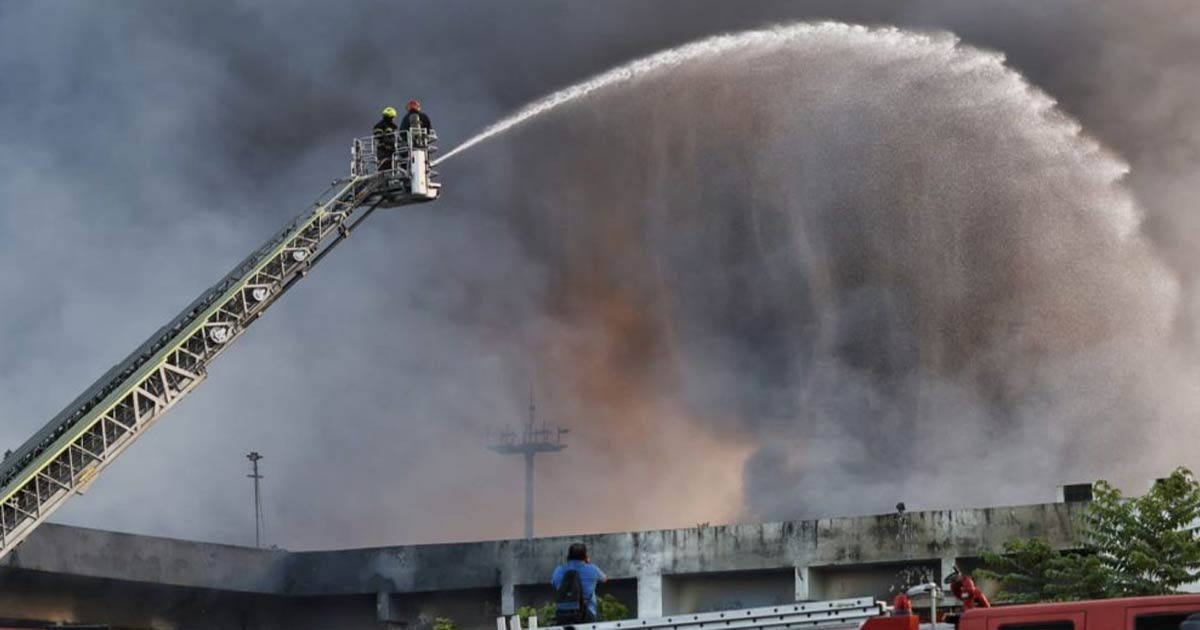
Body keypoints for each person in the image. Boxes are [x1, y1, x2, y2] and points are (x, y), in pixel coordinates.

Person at [551, 542, 607, 623]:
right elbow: (604, 579)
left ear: (568, 556)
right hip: (587, 615)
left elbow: (553, 583)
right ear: (585, 556)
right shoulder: (592, 569)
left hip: (563, 615)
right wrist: (588, 563)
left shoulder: (559, 570)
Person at [373, 106, 399, 171]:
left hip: (392, 151)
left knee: (393, 167)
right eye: (393, 117)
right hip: (383, 151)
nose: (394, 119)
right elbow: (379, 137)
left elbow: (396, 137)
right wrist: (389, 142)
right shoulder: (379, 126)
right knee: (384, 168)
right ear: (390, 117)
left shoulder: (393, 127)